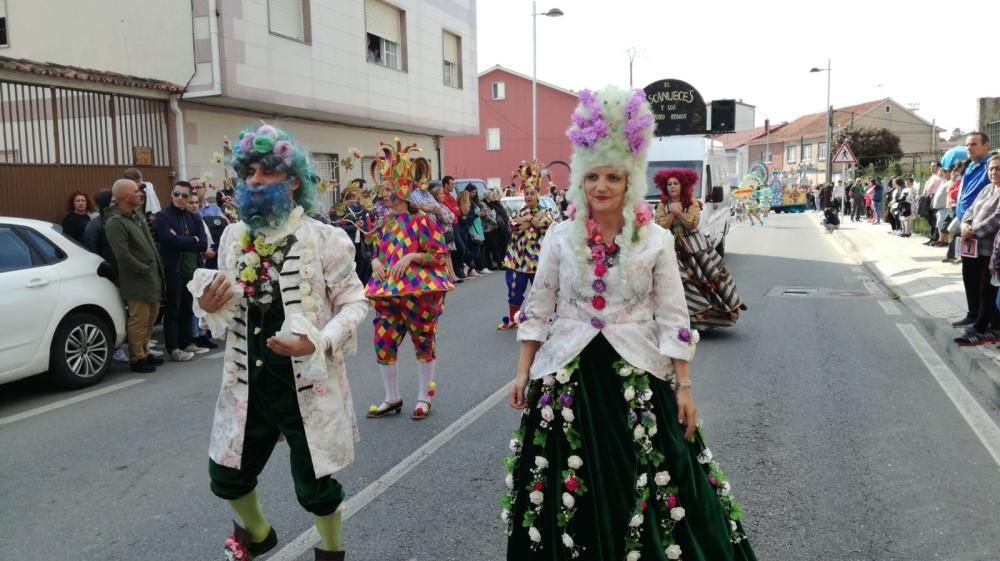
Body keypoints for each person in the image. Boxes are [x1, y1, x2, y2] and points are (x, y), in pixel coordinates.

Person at [504, 85, 757, 561]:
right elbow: (538, 307)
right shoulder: (559, 238)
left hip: (638, 373)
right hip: (569, 375)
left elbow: (674, 315)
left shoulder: (655, 239)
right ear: (580, 181)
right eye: (593, 176)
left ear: (630, 182)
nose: (601, 187)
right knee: (567, 486)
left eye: (613, 178)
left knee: (653, 477)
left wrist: (683, 387)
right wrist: (523, 372)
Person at [190, 123, 368, 561]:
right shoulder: (233, 236)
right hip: (246, 385)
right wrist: (211, 305)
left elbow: (355, 304)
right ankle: (260, 533)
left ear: (292, 182)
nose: (253, 181)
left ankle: (330, 552)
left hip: (305, 385)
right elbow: (231, 305)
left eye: (265, 172)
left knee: (316, 485)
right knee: (226, 474)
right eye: (248, 171)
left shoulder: (327, 239)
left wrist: (321, 342)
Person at [364, 140, 453, 420]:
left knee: (423, 340)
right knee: (383, 340)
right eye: (384, 189)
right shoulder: (386, 223)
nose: (384, 194)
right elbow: (376, 252)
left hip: (418, 294)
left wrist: (413, 256)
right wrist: (375, 261)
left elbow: (439, 255)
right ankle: (392, 398)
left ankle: (424, 397)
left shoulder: (424, 221)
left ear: (402, 191)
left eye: (388, 189)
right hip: (388, 292)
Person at [655, 168, 746, 329]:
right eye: (669, 184)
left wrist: (678, 213)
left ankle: (719, 313)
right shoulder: (662, 205)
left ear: (682, 185)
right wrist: (672, 214)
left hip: (695, 247)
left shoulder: (692, 202)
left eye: (675, 183)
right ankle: (683, 320)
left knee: (709, 278)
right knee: (677, 283)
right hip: (671, 248)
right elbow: (659, 225)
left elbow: (692, 222)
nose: (672, 186)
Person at [104, 179, 164, 374]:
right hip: (137, 280)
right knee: (139, 320)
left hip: (151, 276)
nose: (140, 194)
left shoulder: (136, 215)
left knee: (151, 318)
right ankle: (137, 357)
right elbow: (122, 255)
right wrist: (143, 269)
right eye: (136, 191)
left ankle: (145, 352)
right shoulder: (115, 222)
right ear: (125, 196)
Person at [153, 181, 208, 362]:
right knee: (173, 309)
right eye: (177, 194)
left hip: (192, 270)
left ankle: (185, 342)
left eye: (185, 195)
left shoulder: (194, 217)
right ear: (171, 194)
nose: (180, 198)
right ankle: (173, 348)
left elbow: (202, 244)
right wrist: (191, 240)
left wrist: (185, 240)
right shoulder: (163, 216)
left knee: (188, 308)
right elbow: (168, 241)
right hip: (173, 270)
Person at [954, 154, 1000, 345]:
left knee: (987, 289)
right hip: (973, 247)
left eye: (998, 168)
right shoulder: (987, 189)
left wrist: (974, 231)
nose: (994, 172)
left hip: (991, 249)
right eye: (991, 168)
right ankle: (982, 321)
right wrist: (965, 225)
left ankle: (982, 326)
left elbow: (997, 217)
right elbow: (971, 209)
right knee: (976, 285)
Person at [498, 180, 554, 330]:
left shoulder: (547, 212)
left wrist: (528, 220)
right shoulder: (517, 212)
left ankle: (544, 320)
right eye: (527, 194)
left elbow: (545, 225)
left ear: (537, 195)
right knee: (514, 290)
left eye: (532, 194)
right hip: (518, 261)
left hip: (539, 261)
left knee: (543, 291)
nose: (529, 196)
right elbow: (514, 225)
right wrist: (531, 220)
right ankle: (513, 319)